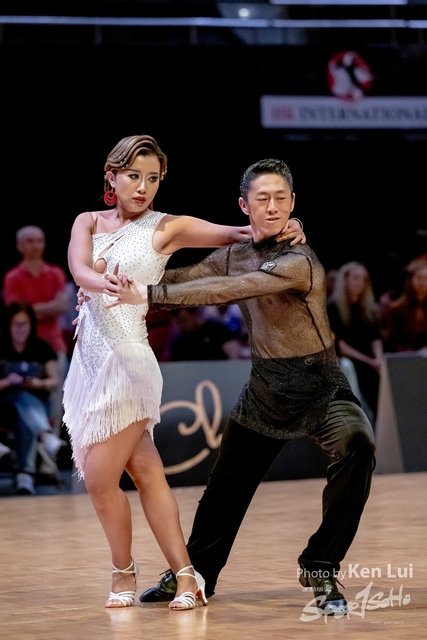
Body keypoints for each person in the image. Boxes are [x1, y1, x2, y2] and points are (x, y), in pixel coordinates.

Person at [104, 158, 376, 616]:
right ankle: (197, 572)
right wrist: (115, 283)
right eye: (262, 198)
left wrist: (148, 296)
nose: (272, 207)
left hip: (320, 386)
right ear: (243, 205)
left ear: (293, 203)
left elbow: (225, 291)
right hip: (265, 389)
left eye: (281, 198)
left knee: (358, 445)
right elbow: (186, 277)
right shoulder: (234, 253)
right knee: (225, 488)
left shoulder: (299, 260)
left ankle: (320, 564)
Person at [65, 136, 304, 610]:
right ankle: (188, 577)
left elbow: (238, 233)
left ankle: (122, 572)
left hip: (128, 364)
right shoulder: (86, 221)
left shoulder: (166, 227)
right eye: (134, 176)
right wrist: (100, 281)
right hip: (87, 364)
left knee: (98, 478)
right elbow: (78, 270)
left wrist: (284, 224)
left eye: (153, 179)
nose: (143, 187)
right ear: (111, 176)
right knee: (148, 473)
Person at [3, 226, 69, 433]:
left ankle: (52, 442)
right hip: (23, 347)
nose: (35, 246)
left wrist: (29, 309)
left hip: (53, 344)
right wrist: (47, 308)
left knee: (57, 395)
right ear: (19, 246)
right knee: (22, 395)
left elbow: (62, 306)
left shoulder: (55, 274)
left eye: (39, 240)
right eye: (30, 241)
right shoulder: (13, 277)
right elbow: (15, 313)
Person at [0, 302, 66, 495]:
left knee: (24, 406)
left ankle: (25, 474)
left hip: (37, 404)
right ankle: (44, 440)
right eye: (16, 324)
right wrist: (7, 381)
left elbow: (55, 381)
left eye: (25, 324)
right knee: (19, 396)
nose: (21, 329)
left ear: (31, 325)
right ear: (9, 325)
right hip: (4, 407)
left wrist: (37, 383)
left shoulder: (42, 347)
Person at [327, 262, 383, 422]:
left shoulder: (369, 310)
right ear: (345, 280)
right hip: (350, 361)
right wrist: (369, 361)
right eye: (356, 278)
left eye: (364, 279)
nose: (360, 283)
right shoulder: (332, 309)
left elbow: (375, 338)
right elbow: (340, 346)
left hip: (370, 361)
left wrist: (378, 358)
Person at [381, 258, 427, 352]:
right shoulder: (396, 310)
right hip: (404, 357)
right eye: (419, 278)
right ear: (410, 281)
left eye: (426, 279)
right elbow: (392, 342)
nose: (422, 283)